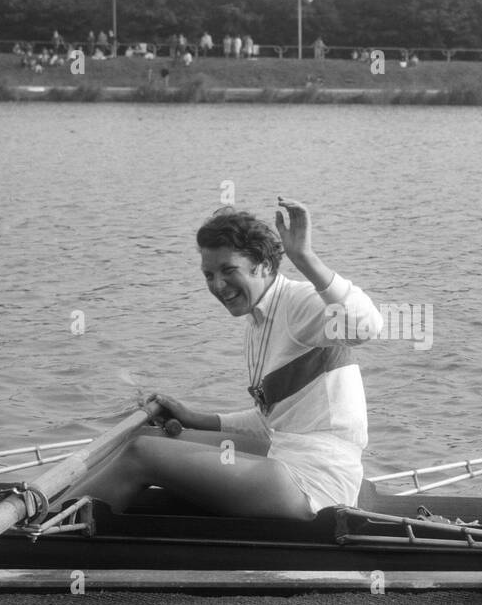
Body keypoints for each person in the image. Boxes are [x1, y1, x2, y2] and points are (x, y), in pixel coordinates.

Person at [67, 199, 384, 519]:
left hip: (316, 481)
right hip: (282, 453)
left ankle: (40, 529)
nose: (218, 285)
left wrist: (305, 257)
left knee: (140, 454)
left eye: (229, 270)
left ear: (262, 265)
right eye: (209, 275)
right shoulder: (259, 322)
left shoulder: (299, 303)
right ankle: (69, 510)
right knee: (145, 436)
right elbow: (268, 422)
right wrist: (195, 418)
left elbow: (368, 326)